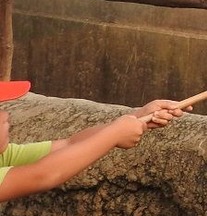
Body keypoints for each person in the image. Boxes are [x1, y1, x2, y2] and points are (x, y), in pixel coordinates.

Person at [0, 80, 186, 202]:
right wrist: (115, 134)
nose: (7, 116)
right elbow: (43, 175)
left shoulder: (5, 155)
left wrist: (137, 117)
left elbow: (70, 144)